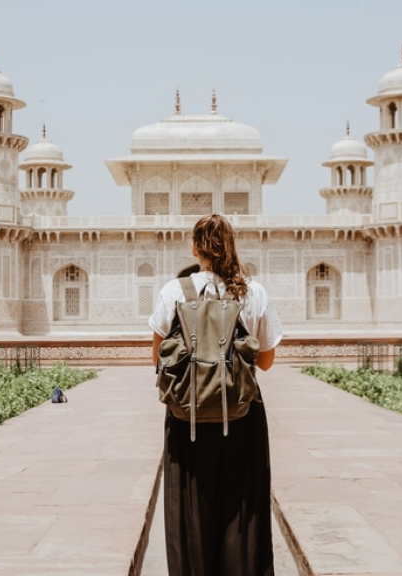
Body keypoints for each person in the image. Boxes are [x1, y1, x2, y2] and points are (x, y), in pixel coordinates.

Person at [149, 214, 283, 576]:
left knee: (190, 513)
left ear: (194, 248)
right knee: (241, 511)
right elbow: (267, 361)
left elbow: (158, 359)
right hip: (242, 415)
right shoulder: (253, 293)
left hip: (186, 418)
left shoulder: (173, 291)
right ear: (231, 246)